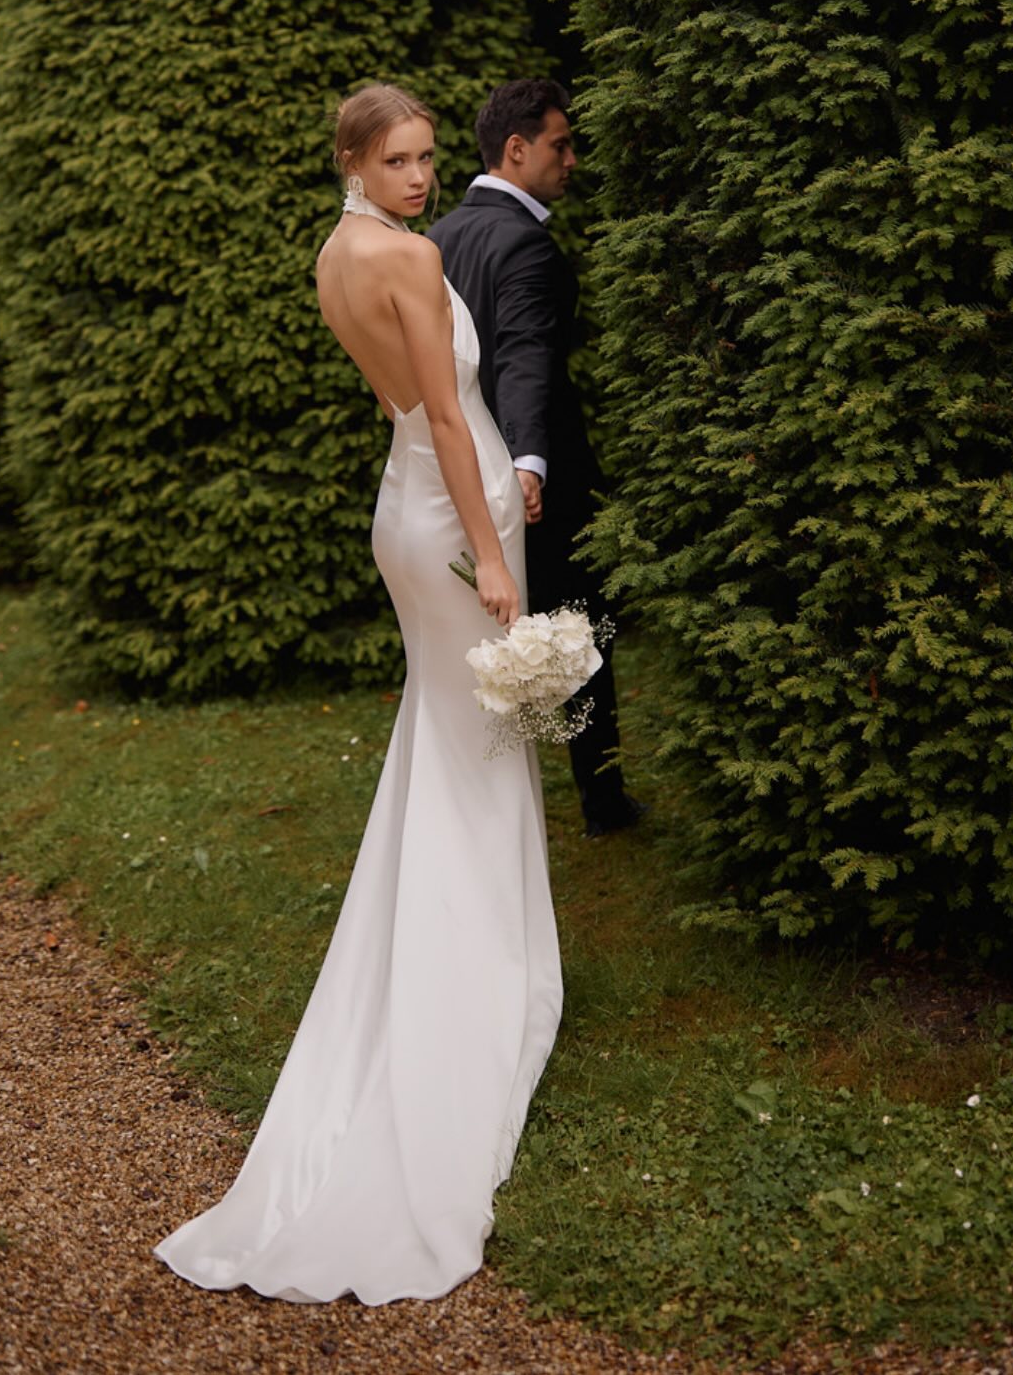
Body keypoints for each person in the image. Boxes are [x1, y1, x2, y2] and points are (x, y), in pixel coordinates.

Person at [154, 84, 562, 1304]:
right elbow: (447, 414)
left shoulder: (335, 256)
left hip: (403, 510)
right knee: (478, 738)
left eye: (429, 157)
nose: (421, 176)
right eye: (399, 161)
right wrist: (492, 553)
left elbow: (407, 410)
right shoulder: (410, 257)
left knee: (449, 733)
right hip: (453, 511)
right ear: (352, 159)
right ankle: (478, 980)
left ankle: (446, 954)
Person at [427, 79, 642, 838]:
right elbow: (527, 356)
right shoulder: (524, 243)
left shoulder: (437, 237)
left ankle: (472, 800)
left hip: (455, 467)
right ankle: (603, 802)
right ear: (516, 149)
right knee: (580, 629)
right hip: (532, 471)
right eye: (560, 144)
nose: (571, 160)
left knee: (480, 638)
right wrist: (529, 460)